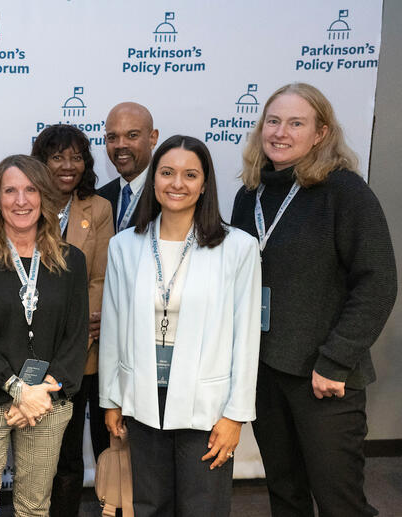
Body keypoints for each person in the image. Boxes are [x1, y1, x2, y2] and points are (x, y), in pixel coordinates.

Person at [231, 82, 397, 517]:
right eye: (273, 121)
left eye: (296, 123)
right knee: (285, 494)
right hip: (265, 372)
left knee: (340, 501)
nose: (280, 132)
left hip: (323, 377)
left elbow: (378, 282)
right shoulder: (249, 196)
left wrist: (336, 360)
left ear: (321, 133)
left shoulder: (345, 192)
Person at [100, 135, 261, 516]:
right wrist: (110, 399)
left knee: (202, 507)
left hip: (207, 406)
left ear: (205, 184)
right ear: (153, 179)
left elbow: (246, 337)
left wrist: (236, 414)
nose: (177, 184)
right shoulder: (124, 245)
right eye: (167, 173)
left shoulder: (237, 248)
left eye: (190, 175)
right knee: (149, 505)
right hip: (141, 398)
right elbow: (113, 326)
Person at [0, 154, 88, 516]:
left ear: (45, 196)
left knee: (33, 508)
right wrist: (17, 389)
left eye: (30, 190)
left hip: (47, 399)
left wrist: (40, 392)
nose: (21, 200)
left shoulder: (71, 261)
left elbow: (76, 338)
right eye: (10, 191)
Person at [30, 125, 114, 516]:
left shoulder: (97, 208)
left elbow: (99, 277)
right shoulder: (25, 202)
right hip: (33, 347)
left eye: (77, 157)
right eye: (58, 157)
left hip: (85, 351)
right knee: (46, 448)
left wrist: (81, 330)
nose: (68, 166)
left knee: (77, 450)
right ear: (41, 162)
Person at [97, 102, 159, 233]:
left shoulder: (169, 195)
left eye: (132, 135)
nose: (120, 145)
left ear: (153, 138)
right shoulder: (99, 198)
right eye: (112, 137)